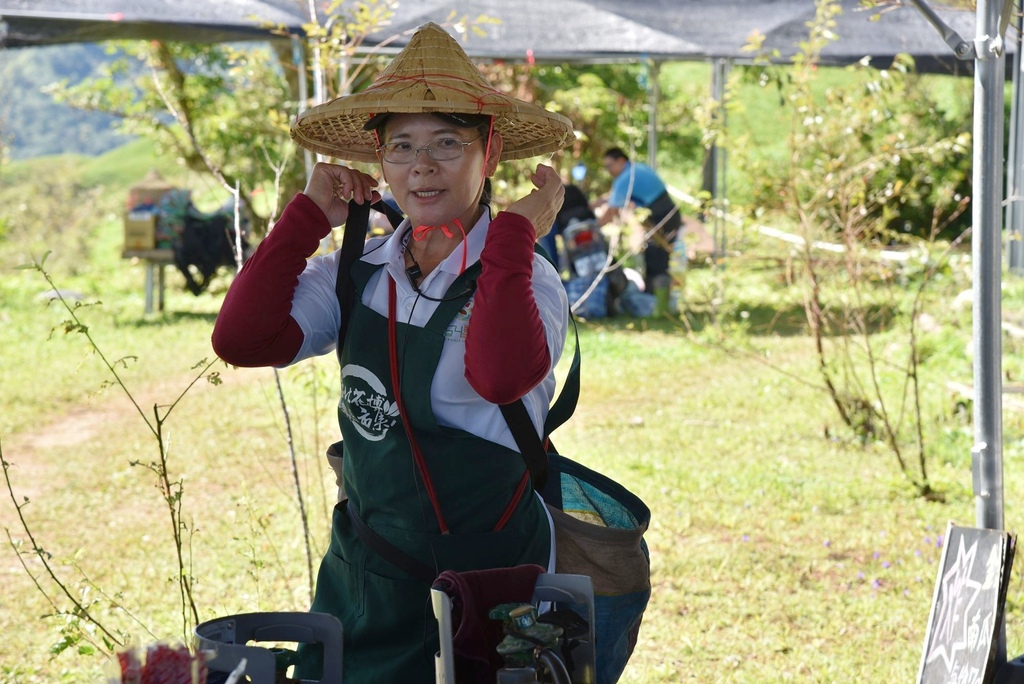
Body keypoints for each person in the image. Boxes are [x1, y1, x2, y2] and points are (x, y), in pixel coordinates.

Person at [210, 22, 574, 684]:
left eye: (447, 143)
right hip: (365, 576)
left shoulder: (529, 281)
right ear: (380, 159)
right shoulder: (361, 270)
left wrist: (516, 231)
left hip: (491, 585)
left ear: (490, 153)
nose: (422, 166)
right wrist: (307, 216)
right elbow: (242, 341)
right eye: (401, 146)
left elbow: (499, 375)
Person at [597, 146, 683, 316]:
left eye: (610, 166)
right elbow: (612, 197)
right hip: (668, 214)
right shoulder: (638, 169)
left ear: (621, 161)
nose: (609, 171)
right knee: (658, 258)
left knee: (656, 260)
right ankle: (659, 306)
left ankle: (658, 308)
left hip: (662, 217)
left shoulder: (625, 178)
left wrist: (593, 227)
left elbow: (610, 211)